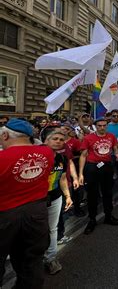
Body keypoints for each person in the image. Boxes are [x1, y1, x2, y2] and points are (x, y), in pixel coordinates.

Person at [0, 119, 54, 288]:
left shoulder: (2, 157)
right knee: (31, 262)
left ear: (5, 135)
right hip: (36, 212)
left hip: (5, 214)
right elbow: (39, 145)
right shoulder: (47, 153)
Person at [79, 118, 118, 235]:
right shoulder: (88, 138)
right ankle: (92, 220)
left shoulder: (111, 136)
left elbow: (115, 148)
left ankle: (108, 216)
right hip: (92, 167)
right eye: (99, 126)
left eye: (104, 125)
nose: (102, 127)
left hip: (107, 166)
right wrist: (80, 173)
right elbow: (83, 156)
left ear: (107, 126)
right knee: (92, 194)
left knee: (107, 192)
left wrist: (117, 153)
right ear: (95, 126)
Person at [43, 130, 74, 275]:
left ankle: (50, 259)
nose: (59, 141)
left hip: (55, 198)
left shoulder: (63, 158)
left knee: (52, 229)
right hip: (36, 200)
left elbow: (62, 179)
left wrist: (67, 196)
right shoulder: (38, 157)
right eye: (55, 138)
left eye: (62, 139)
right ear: (46, 141)